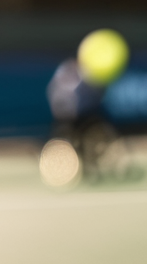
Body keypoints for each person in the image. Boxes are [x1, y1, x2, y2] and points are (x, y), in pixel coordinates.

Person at [46, 29, 129, 180]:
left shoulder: (85, 73)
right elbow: (64, 95)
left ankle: (100, 163)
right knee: (70, 138)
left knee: (100, 129)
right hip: (71, 116)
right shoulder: (70, 72)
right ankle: (80, 167)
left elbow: (93, 96)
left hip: (85, 115)